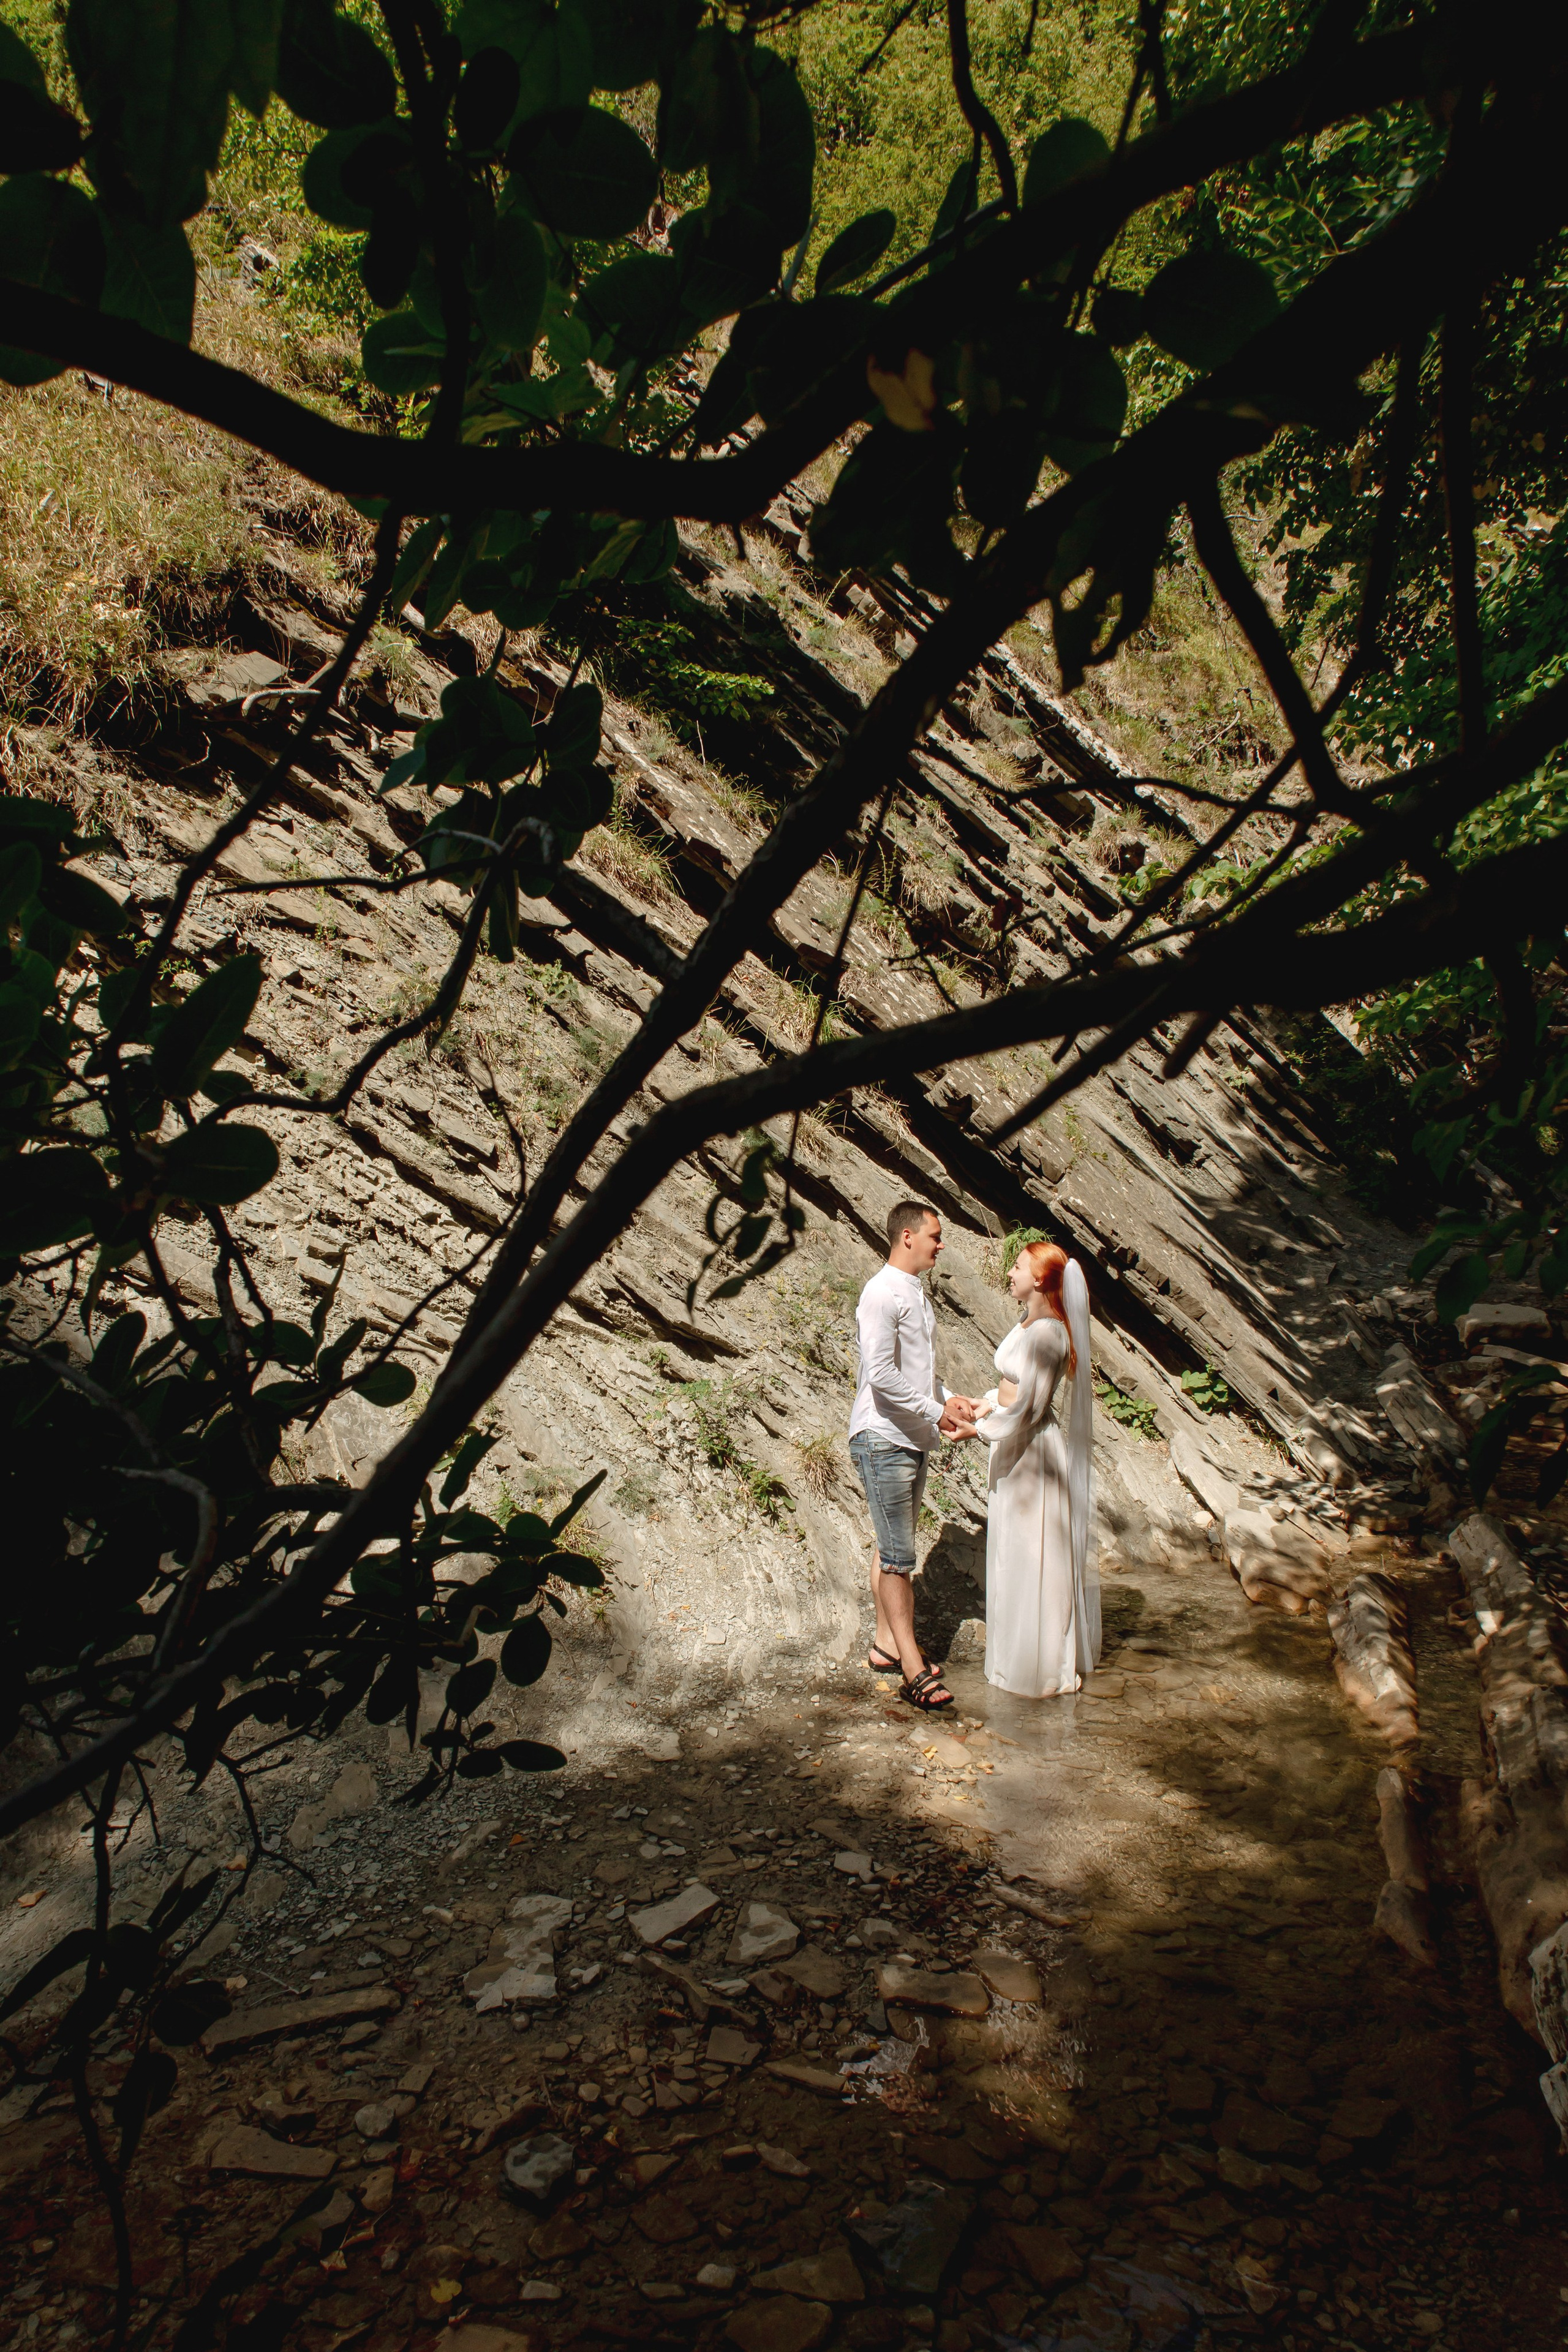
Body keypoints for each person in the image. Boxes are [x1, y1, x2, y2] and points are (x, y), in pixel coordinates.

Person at [848, 1200, 978, 1713]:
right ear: (907, 1236)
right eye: (936, 1236)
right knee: (900, 1559)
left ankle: (885, 1644)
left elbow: (915, 1372)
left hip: (909, 1436)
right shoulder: (881, 1292)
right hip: (884, 1437)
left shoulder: (913, 1292)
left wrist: (947, 1399)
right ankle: (912, 1668)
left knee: (888, 1547)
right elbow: (879, 1373)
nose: (941, 1245)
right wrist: (936, 1411)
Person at [971, 1241, 1099, 1697]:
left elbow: (1029, 1406)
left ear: (1041, 1278)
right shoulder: (1028, 1323)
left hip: (1031, 1452)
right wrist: (983, 1402)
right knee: (1012, 1551)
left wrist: (980, 1429)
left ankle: (1040, 1669)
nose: (1010, 1271)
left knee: (1031, 1554)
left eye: (1019, 1266)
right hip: (1012, 1446)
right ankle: (1011, 1662)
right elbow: (1011, 1388)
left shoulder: (1050, 1334)